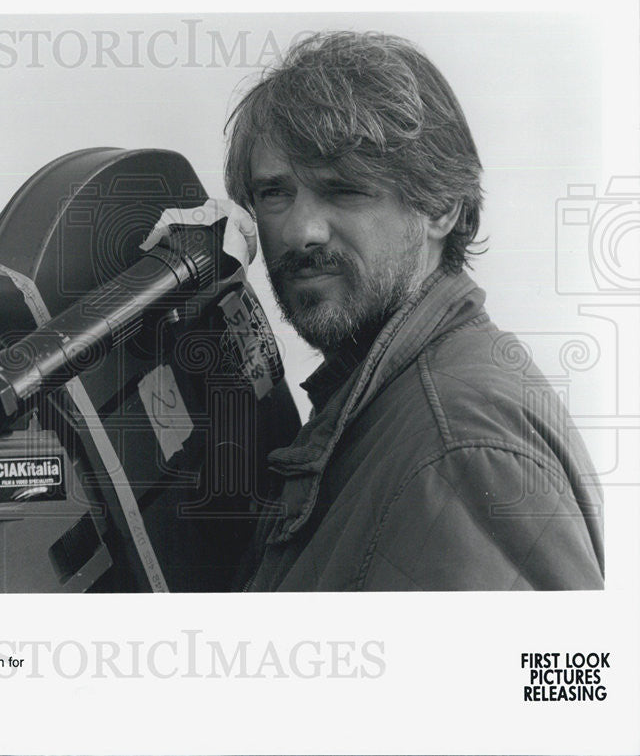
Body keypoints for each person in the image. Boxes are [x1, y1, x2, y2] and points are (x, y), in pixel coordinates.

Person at [215, 31, 604, 591]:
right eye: (275, 193)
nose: (300, 231)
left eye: (343, 189)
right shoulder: (385, 399)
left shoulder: (461, 447)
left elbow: (566, 679)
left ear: (440, 206)